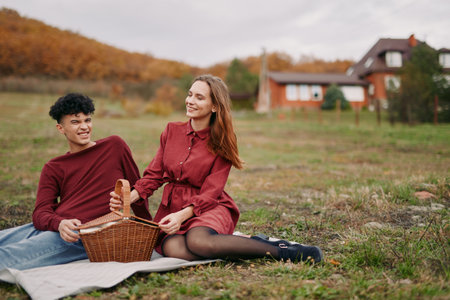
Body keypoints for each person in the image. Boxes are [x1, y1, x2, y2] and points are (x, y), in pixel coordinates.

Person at [110, 75, 323, 263]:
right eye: (190, 94)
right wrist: (130, 196)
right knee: (172, 249)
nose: (190, 101)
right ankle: (239, 244)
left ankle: (283, 251)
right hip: (173, 207)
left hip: (209, 206)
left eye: (199, 97)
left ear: (214, 106)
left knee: (199, 242)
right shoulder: (171, 131)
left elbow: (212, 192)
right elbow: (154, 176)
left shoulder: (222, 141)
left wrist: (182, 216)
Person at [0, 93, 151, 271]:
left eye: (87, 120)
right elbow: (40, 212)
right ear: (60, 128)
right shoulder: (54, 167)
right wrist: (59, 223)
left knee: (8, 255)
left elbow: (137, 190)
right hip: (59, 226)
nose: (84, 127)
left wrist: (148, 231)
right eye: (75, 122)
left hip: (86, 234)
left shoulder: (114, 146)